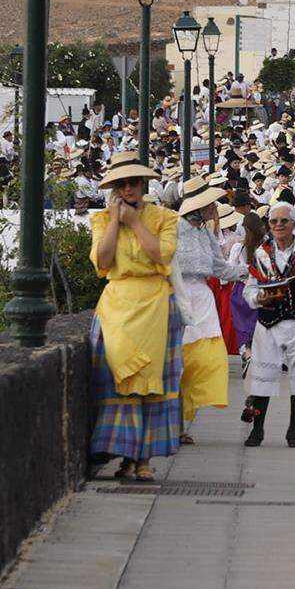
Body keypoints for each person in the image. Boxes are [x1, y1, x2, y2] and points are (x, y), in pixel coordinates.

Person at [89, 151, 182, 481]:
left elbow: (161, 254)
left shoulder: (164, 218)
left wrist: (133, 222)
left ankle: (143, 458)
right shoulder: (101, 219)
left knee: (151, 384)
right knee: (118, 381)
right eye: (122, 184)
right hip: (117, 303)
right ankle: (126, 455)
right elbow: (102, 261)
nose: (129, 188)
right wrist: (115, 221)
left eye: (133, 182)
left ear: (143, 184)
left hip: (154, 302)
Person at [245, 202, 295, 448]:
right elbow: (250, 288)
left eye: (283, 221)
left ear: (294, 225)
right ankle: (257, 430)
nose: (278, 225)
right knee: (262, 377)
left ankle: (293, 431)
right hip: (268, 321)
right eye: (274, 221)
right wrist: (259, 298)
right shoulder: (261, 253)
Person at [171, 176, 237, 441]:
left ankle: (184, 421)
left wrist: (248, 272)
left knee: (206, 360)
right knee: (180, 362)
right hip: (179, 294)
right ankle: (176, 424)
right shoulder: (173, 229)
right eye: (210, 204)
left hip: (203, 298)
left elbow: (220, 266)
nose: (214, 208)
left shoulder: (205, 233)